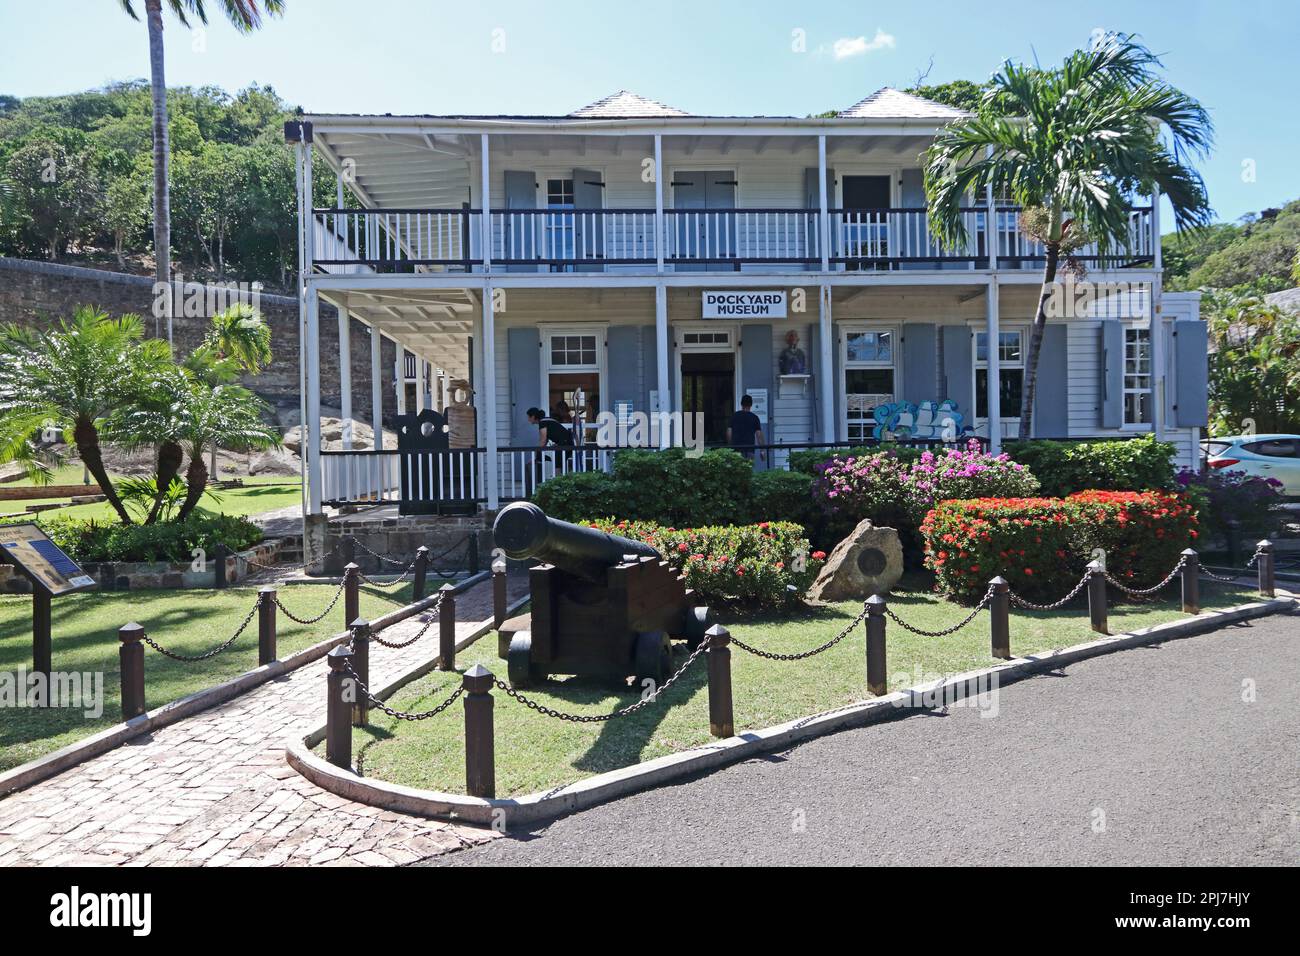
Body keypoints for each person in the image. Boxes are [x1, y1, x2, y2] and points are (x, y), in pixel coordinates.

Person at [727, 395, 765, 462]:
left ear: (741, 404)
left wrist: (730, 446)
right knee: (748, 469)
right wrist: (762, 450)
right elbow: (759, 435)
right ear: (751, 404)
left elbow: (729, 433)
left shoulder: (734, 416)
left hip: (736, 449)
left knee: (737, 470)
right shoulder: (754, 418)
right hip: (749, 449)